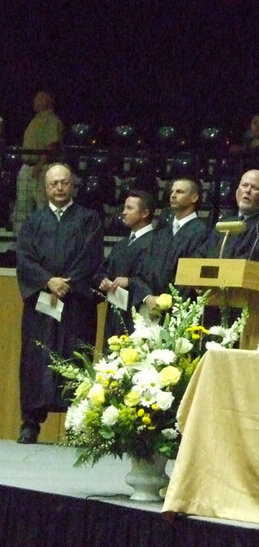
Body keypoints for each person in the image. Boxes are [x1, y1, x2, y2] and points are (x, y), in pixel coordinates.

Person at [16, 163, 103, 444]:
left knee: (74, 357)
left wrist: (68, 282)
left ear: (72, 185)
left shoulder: (88, 219)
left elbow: (91, 256)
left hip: (75, 304)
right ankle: (31, 422)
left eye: (64, 182)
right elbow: (24, 259)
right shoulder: (33, 222)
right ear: (45, 187)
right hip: (42, 303)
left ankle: (77, 422)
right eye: (53, 183)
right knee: (36, 359)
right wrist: (47, 281)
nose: (59, 188)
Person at [137, 178, 211, 309]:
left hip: (180, 308)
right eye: (172, 191)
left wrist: (168, 302)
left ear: (194, 198)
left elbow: (190, 273)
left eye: (180, 191)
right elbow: (145, 270)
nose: (173, 195)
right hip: (152, 308)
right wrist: (148, 297)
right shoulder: (161, 233)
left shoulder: (202, 232)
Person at [95, 190, 156, 344]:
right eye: (124, 208)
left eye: (129, 208)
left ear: (145, 213)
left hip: (137, 314)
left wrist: (129, 281)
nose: (123, 212)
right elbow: (104, 270)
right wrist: (103, 280)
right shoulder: (122, 244)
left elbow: (153, 278)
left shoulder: (156, 243)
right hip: (115, 311)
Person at [206, 169, 259, 264]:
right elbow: (204, 254)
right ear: (237, 191)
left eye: (254, 188)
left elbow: (255, 260)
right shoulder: (224, 224)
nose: (248, 191)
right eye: (244, 185)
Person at [14, 90, 65, 236]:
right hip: (27, 166)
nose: (35, 101)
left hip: (41, 167)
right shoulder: (35, 120)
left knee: (43, 205)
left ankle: (47, 238)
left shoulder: (52, 120)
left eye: (39, 98)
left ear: (48, 100)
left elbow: (52, 145)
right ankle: (19, 239)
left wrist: (40, 164)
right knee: (22, 207)